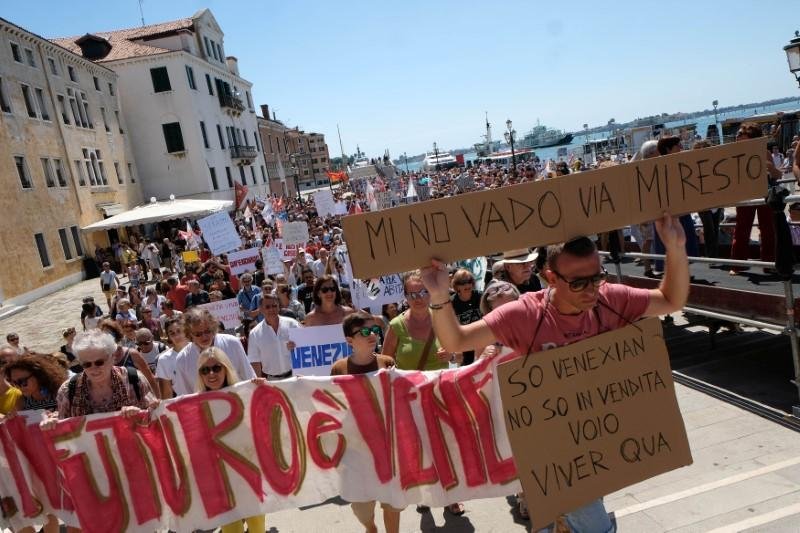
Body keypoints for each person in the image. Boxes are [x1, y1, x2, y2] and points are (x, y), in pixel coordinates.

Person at [420, 213, 689, 532]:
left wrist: (675, 247)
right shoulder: (524, 314)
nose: (591, 291)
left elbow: (671, 300)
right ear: (551, 277)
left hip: (599, 440)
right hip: (549, 453)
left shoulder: (610, 299)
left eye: (596, 278)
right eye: (578, 283)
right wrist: (438, 296)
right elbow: (456, 340)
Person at [332, 311, 400, 533]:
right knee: (362, 508)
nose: (372, 335)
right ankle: (370, 527)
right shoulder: (339, 369)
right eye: (364, 331)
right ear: (350, 340)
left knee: (392, 504)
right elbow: (332, 405)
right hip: (356, 451)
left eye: (374, 330)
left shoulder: (387, 363)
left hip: (388, 447)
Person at [195, 347, 266, 533]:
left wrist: (262, 390)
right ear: (200, 375)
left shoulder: (244, 393)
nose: (211, 374)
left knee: (257, 526)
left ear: (226, 368)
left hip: (248, 471)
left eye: (216, 368)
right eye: (205, 370)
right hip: (218, 478)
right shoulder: (192, 405)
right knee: (231, 529)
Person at [729, 122, 781, 275]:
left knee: (768, 229)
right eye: (737, 135)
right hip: (744, 195)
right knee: (741, 229)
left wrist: (770, 167)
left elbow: (777, 175)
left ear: (753, 138)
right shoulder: (731, 153)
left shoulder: (764, 152)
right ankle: (737, 265)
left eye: (741, 135)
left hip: (764, 194)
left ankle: (769, 264)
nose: (737, 137)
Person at [172, 308, 256, 396]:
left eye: (207, 331)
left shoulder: (232, 343)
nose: (204, 337)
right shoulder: (182, 359)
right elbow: (184, 396)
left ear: (213, 327)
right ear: (189, 334)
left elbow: (249, 376)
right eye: (198, 334)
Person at [98, 319, 159, 396]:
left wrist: (158, 400)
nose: (107, 338)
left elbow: (150, 379)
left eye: (110, 334)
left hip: (139, 401)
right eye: (103, 335)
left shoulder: (132, 354)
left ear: (116, 335)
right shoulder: (99, 361)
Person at [247, 294, 301, 380]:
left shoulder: (293, 324)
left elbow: (306, 346)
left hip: (295, 377)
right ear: (261, 309)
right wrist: (258, 382)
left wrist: (297, 345)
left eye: (274, 306)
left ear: (279, 306)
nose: (271, 309)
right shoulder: (254, 334)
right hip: (272, 381)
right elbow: (254, 361)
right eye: (267, 307)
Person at [450, 269, 482, 366]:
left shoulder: (481, 296)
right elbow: (451, 327)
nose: (466, 285)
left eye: (468, 281)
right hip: (465, 344)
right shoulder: (452, 302)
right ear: (456, 286)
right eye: (462, 283)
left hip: (481, 340)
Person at [155, 315, 188, 399]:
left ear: (185, 330)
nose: (176, 336)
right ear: (168, 336)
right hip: (184, 404)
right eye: (172, 333)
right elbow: (167, 394)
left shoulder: (198, 349)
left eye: (179, 331)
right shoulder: (163, 360)